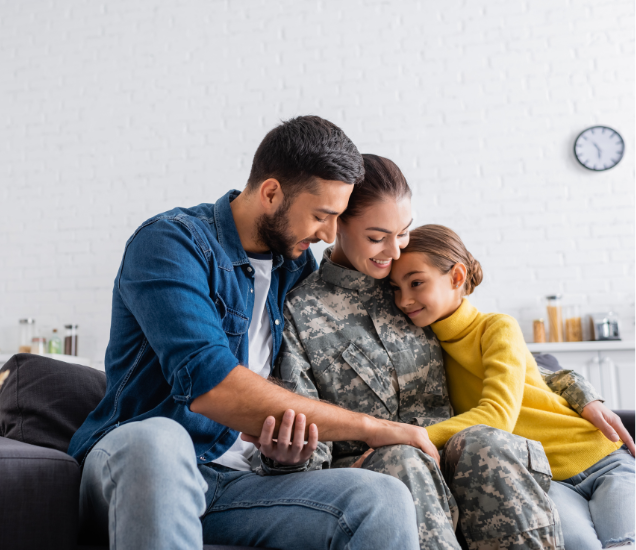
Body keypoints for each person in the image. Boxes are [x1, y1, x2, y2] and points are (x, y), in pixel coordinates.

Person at [68, 116, 435, 550]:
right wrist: (375, 428)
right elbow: (213, 387)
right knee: (161, 439)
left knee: (381, 498)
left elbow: (283, 386)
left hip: (236, 485)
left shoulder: (294, 267)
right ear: (271, 193)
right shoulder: (171, 243)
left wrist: (281, 453)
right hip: (137, 468)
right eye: (321, 216)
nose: (328, 235)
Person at [276, 154, 623, 550]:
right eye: (377, 237)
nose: (392, 251)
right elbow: (304, 426)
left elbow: (508, 358)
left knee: (488, 441)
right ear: (337, 223)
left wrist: (583, 394)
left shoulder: (419, 287)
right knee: (404, 460)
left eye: (402, 232)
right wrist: (289, 458)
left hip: (460, 453)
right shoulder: (300, 310)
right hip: (375, 465)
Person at [389, 224, 635, 550]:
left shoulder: (497, 326)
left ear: (457, 277)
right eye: (395, 288)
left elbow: (498, 415)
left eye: (416, 282)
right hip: (548, 479)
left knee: (624, 542)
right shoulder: (423, 350)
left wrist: (402, 434)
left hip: (601, 458)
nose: (404, 299)